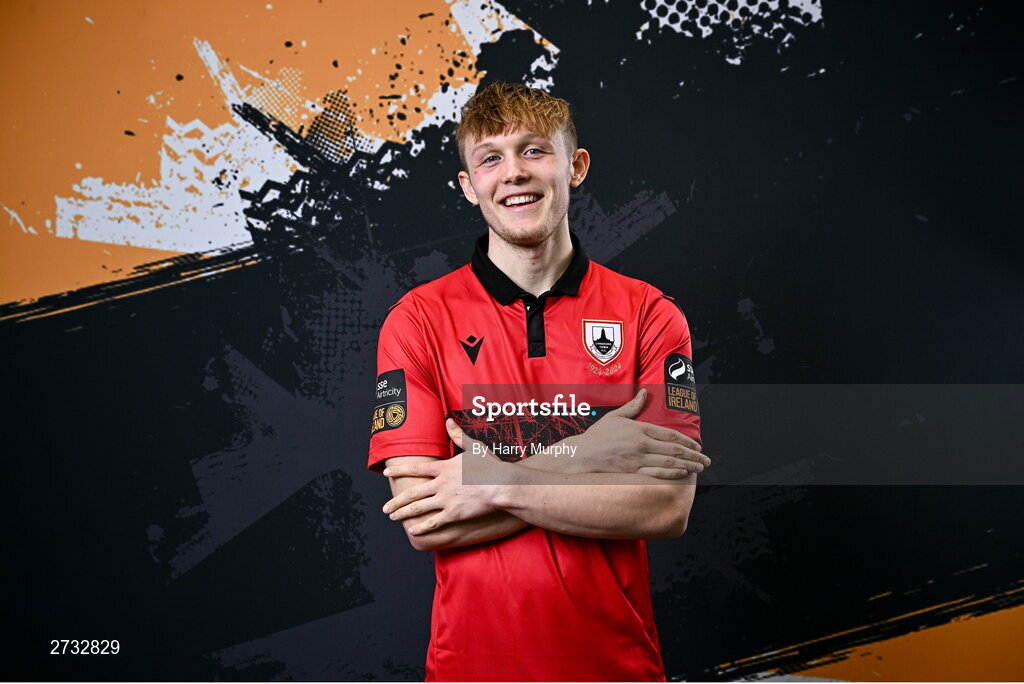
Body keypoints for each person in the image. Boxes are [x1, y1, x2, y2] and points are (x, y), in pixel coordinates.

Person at [368, 81, 708, 681]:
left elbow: (665, 506)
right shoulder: (415, 321)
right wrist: (589, 453)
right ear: (468, 185)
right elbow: (425, 519)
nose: (514, 173)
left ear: (575, 167)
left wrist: (491, 480)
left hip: (617, 667)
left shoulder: (651, 315)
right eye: (491, 158)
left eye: (534, 151)